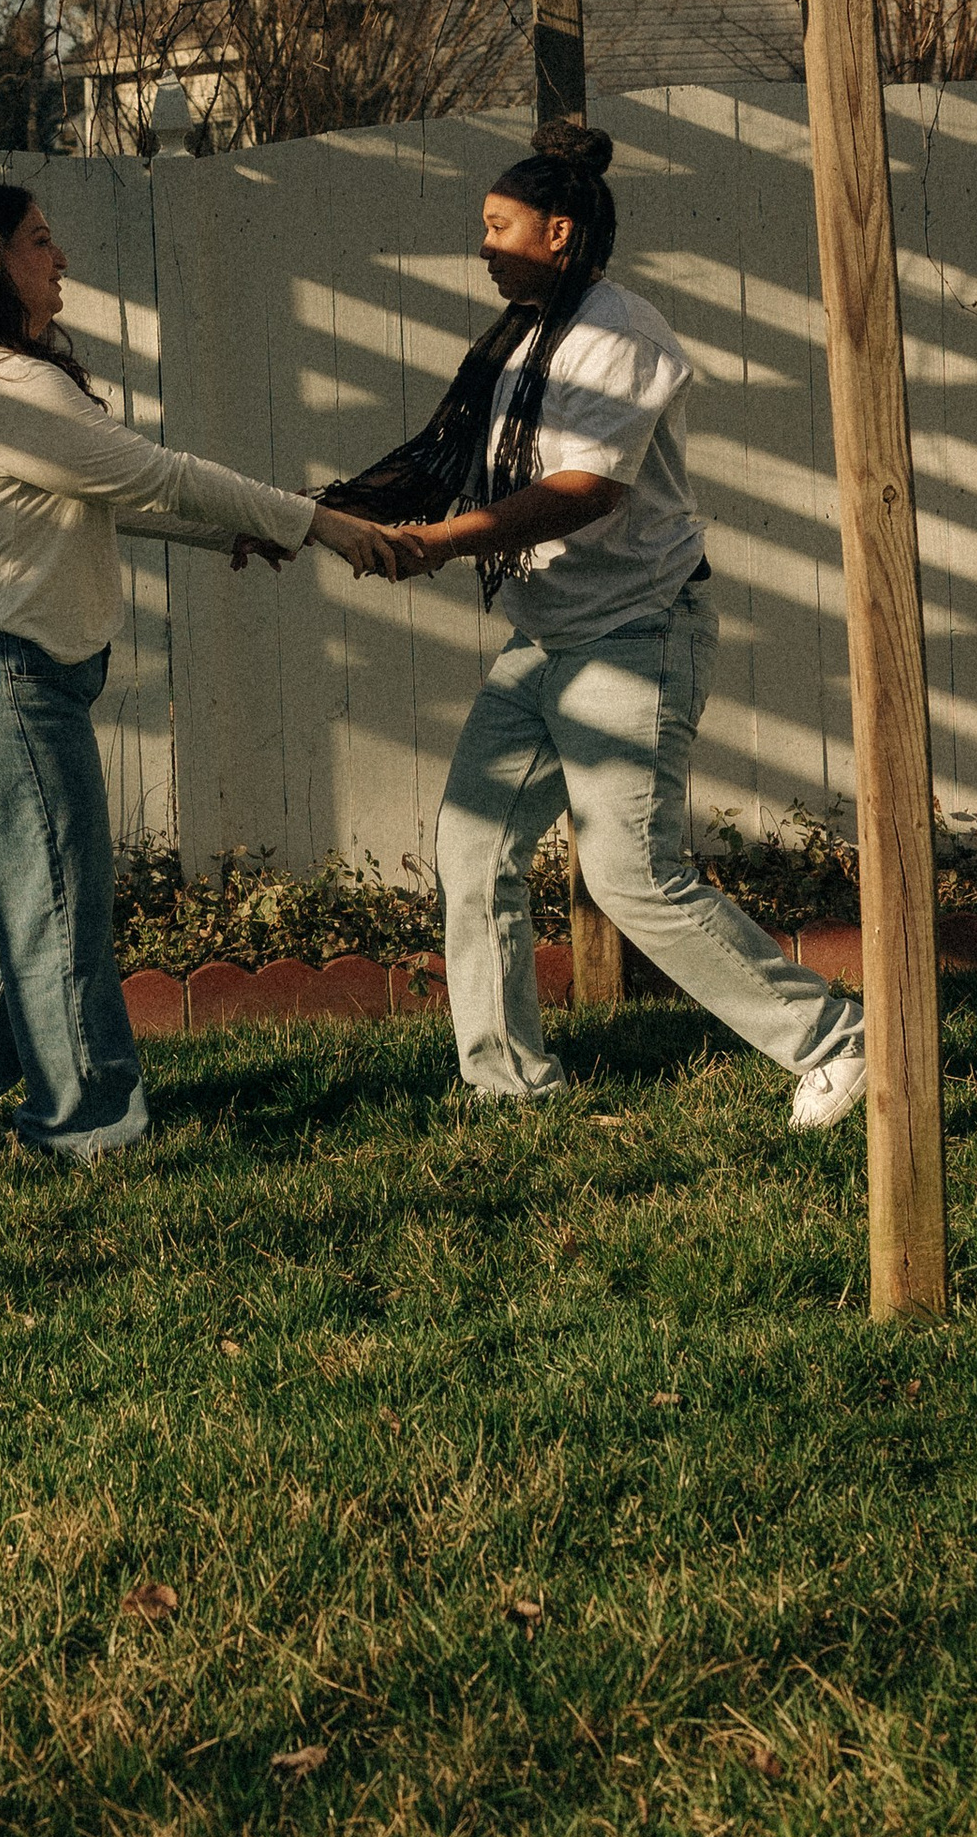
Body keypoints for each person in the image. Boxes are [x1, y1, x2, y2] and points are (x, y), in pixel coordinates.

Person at [333, 121, 867, 1128]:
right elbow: (437, 459)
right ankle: (509, 1090)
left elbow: (584, 493)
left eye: (500, 229)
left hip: (631, 633)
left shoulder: (619, 336)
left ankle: (838, 1043)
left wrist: (443, 545)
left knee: (630, 874)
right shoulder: (522, 338)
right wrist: (314, 516)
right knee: (473, 851)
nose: (483, 248)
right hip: (545, 638)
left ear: (560, 234)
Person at [0, 180, 400, 1161]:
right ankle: (87, 1125)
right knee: (58, 896)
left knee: (19, 892)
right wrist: (312, 518)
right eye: (39, 242)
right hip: (2, 678)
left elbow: (105, 497)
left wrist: (246, 531)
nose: (60, 259)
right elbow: (153, 472)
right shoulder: (5, 381)